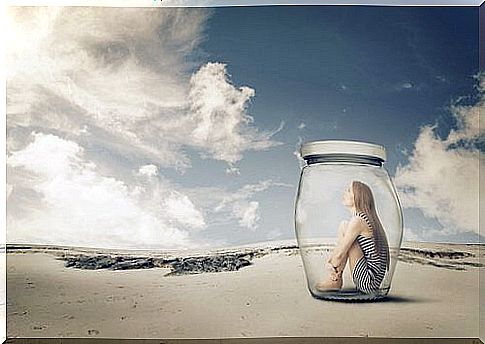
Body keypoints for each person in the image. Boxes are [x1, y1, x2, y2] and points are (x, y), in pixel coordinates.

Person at [315, 180, 390, 294]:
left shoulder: (359, 220)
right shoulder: (365, 218)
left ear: (358, 197)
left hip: (367, 282)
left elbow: (340, 254)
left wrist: (330, 265)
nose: (344, 193)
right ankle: (336, 278)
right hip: (374, 282)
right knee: (344, 225)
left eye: (349, 190)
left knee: (345, 227)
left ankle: (335, 280)